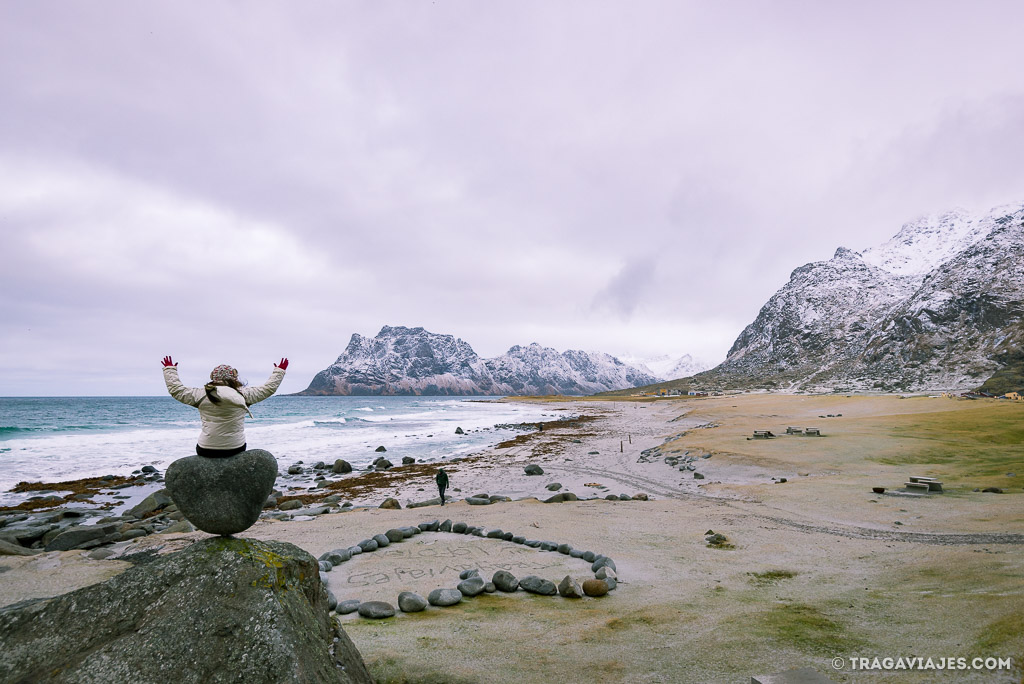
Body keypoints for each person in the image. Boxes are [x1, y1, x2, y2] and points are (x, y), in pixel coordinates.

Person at [161, 355, 288, 457]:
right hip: (235, 448)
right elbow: (268, 389)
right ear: (234, 378)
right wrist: (279, 371)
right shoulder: (244, 395)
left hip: (206, 449)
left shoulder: (200, 395)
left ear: (213, 377)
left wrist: (169, 370)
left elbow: (177, 390)